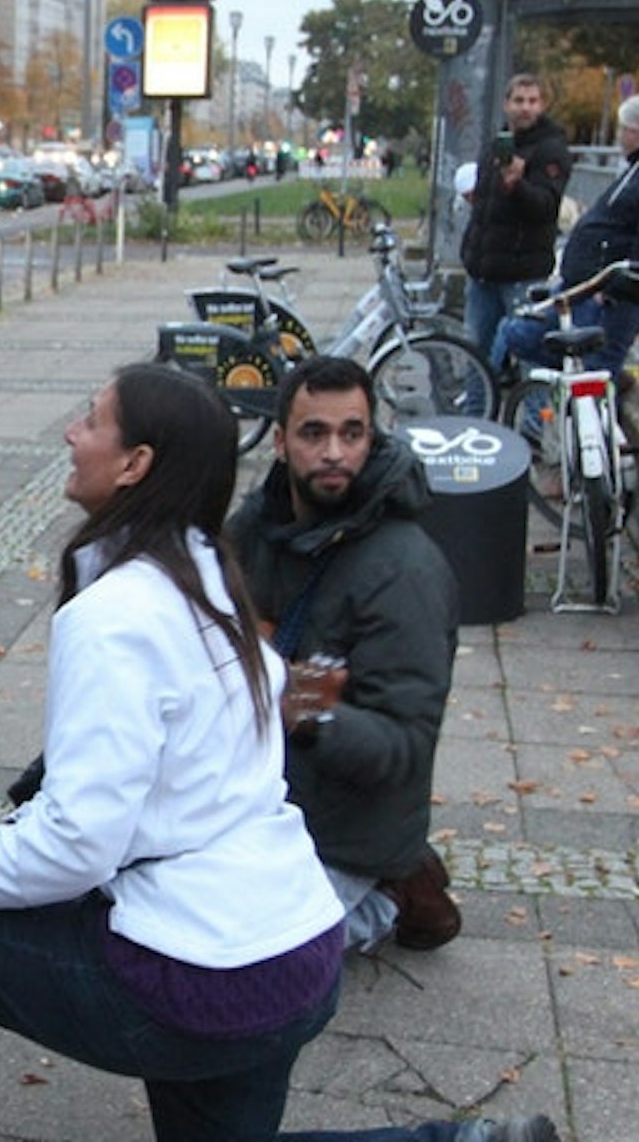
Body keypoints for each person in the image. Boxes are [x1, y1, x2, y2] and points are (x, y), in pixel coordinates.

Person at [0, 364, 559, 1142]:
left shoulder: (117, 613)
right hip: (297, 949)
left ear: (136, 464)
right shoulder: (212, 571)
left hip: (214, 973)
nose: (72, 434)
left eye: (92, 420)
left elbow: (78, 843)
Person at [228, 356, 462, 954]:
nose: (334, 451)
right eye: (314, 433)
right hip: (258, 800)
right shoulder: (254, 528)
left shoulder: (406, 569)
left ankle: (392, 896)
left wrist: (309, 712)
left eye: (351, 433)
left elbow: (404, 746)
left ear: (371, 437)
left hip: (346, 830)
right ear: (280, 442)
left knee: (256, 955)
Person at [497, 92, 639, 388]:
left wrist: (615, 289)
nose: (619, 137)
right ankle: (603, 390)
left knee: (591, 372)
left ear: (636, 132)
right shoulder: (636, 169)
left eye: (622, 129)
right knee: (520, 334)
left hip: (608, 294)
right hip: (586, 286)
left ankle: (601, 405)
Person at [460, 74, 571, 364]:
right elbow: (484, 204)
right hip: (483, 271)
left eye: (533, 101)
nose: (525, 108)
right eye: (519, 101)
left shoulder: (551, 149)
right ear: (506, 104)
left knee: (529, 355)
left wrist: (517, 185)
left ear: (542, 105)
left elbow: (546, 207)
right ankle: (477, 409)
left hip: (523, 274)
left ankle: (534, 410)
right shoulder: (497, 144)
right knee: (475, 356)